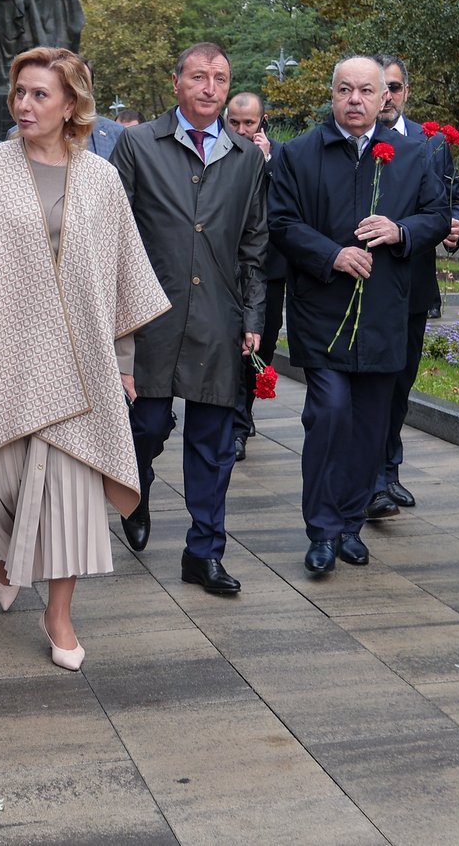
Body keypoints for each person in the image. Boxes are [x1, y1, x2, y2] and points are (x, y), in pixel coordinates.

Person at [0, 46, 167, 670]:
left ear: (71, 105)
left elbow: (123, 274)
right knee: (1, 485)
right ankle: (7, 550)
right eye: (18, 93)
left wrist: (124, 360)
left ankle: (59, 614)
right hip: (5, 354)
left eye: (38, 95)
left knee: (70, 499)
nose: (23, 105)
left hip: (81, 361)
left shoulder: (103, 179)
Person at [270, 56, 448, 575]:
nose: (355, 100)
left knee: (371, 424)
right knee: (329, 414)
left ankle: (349, 525)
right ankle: (321, 531)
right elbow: (280, 221)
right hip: (322, 311)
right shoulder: (300, 154)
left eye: (366, 90)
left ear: (383, 98)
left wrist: (401, 232)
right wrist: (332, 254)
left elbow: (437, 215)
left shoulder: (414, 156)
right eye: (345, 90)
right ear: (332, 96)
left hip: (384, 312)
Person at [110, 43, 267, 595]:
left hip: (218, 320)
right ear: (176, 82)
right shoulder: (137, 144)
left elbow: (254, 242)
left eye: (220, 79)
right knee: (146, 426)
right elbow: (112, 231)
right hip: (151, 316)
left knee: (213, 441)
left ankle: (204, 552)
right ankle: (139, 484)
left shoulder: (246, 158)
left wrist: (253, 314)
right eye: (198, 77)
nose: (209, 88)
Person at [368, 54, 459, 519]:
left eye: (394, 87)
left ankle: (388, 470)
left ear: (406, 91)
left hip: (414, 284)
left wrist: (457, 225)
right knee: (373, 384)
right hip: (365, 285)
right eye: (378, 87)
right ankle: (371, 480)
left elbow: (455, 199)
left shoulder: (431, 144)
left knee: (401, 382)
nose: (386, 97)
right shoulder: (357, 140)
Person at [223, 90, 282, 461]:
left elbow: (286, 209)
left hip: (268, 270)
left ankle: (243, 417)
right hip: (224, 268)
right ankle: (232, 421)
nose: (242, 130)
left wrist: (264, 166)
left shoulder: (278, 157)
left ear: (263, 122)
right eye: (234, 123)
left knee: (260, 346)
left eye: (249, 123)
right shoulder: (217, 154)